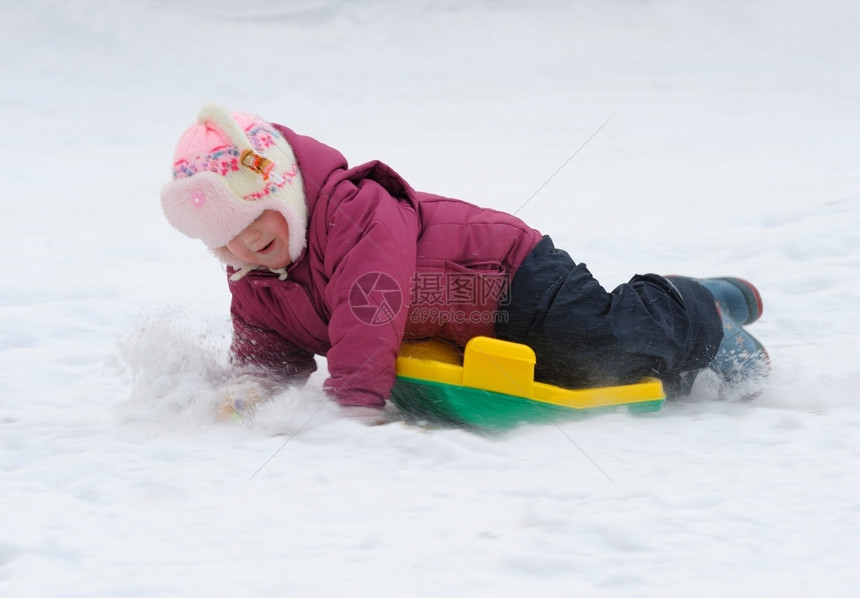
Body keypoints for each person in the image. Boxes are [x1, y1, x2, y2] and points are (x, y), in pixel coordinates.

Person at [160, 104, 769, 421]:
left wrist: (351, 402)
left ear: (285, 191)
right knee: (579, 373)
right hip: (463, 322)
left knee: (597, 341)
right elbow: (271, 353)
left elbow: (369, 309)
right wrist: (253, 391)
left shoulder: (353, 211)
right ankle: (694, 309)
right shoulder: (258, 284)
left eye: (251, 221)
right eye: (223, 240)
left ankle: (704, 316)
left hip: (509, 278)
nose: (241, 248)